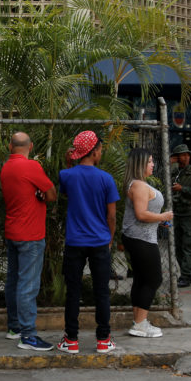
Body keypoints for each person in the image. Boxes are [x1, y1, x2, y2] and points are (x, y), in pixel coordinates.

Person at [57, 131, 119, 356]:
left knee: (73, 291)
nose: (101, 154)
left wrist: (68, 162)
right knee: (101, 291)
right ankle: (103, 339)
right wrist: (110, 238)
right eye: (100, 151)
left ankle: (71, 339)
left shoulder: (67, 175)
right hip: (100, 241)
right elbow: (111, 215)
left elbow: (66, 191)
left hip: (74, 241)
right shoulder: (106, 179)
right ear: (93, 152)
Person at [0, 132, 56, 351]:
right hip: (31, 234)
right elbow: (51, 193)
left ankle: (14, 327)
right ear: (31, 146)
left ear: (10, 146)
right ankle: (28, 335)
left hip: (13, 231)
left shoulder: (7, 167)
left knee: (13, 281)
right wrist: (41, 195)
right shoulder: (31, 166)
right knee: (28, 286)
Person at [121, 148, 174, 339]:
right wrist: (163, 216)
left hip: (140, 237)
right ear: (141, 164)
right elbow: (141, 214)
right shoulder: (139, 186)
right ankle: (140, 324)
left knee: (142, 279)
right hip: (141, 239)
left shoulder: (137, 184)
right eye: (150, 161)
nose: (153, 164)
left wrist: (159, 220)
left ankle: (139, 322)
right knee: (153, 279)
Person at [170, 143, 191, 288]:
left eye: (187, 155)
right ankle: (187, 274)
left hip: (190, 214)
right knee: (178, 246)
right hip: (177, 213)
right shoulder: (174, 172)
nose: (185, 157)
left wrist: (182, 189)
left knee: (189, 246)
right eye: (182, 155)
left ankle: (185, 275)